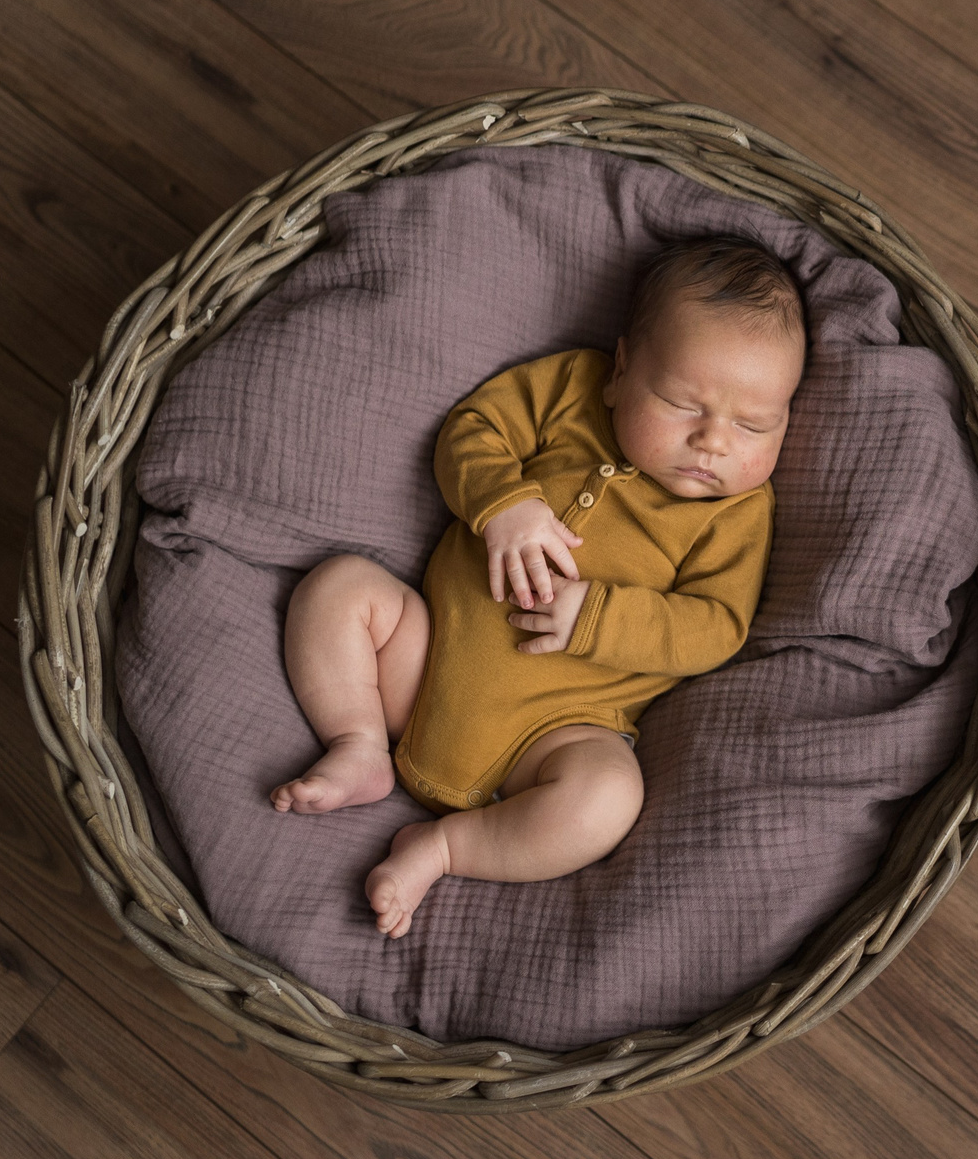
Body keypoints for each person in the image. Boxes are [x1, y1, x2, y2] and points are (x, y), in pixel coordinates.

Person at [270, 236, 804, 938]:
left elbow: (716, 626)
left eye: (753, 424)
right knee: (339, 587)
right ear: (620, 370)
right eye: (681, 402)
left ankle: (446, 847)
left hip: (552, 738)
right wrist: (504, 503)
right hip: (421, 664)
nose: (714, 441)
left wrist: (600, 617)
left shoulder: (737, 514)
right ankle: (360, 741)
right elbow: (473, 429)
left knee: (609, 796)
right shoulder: (569, 390)